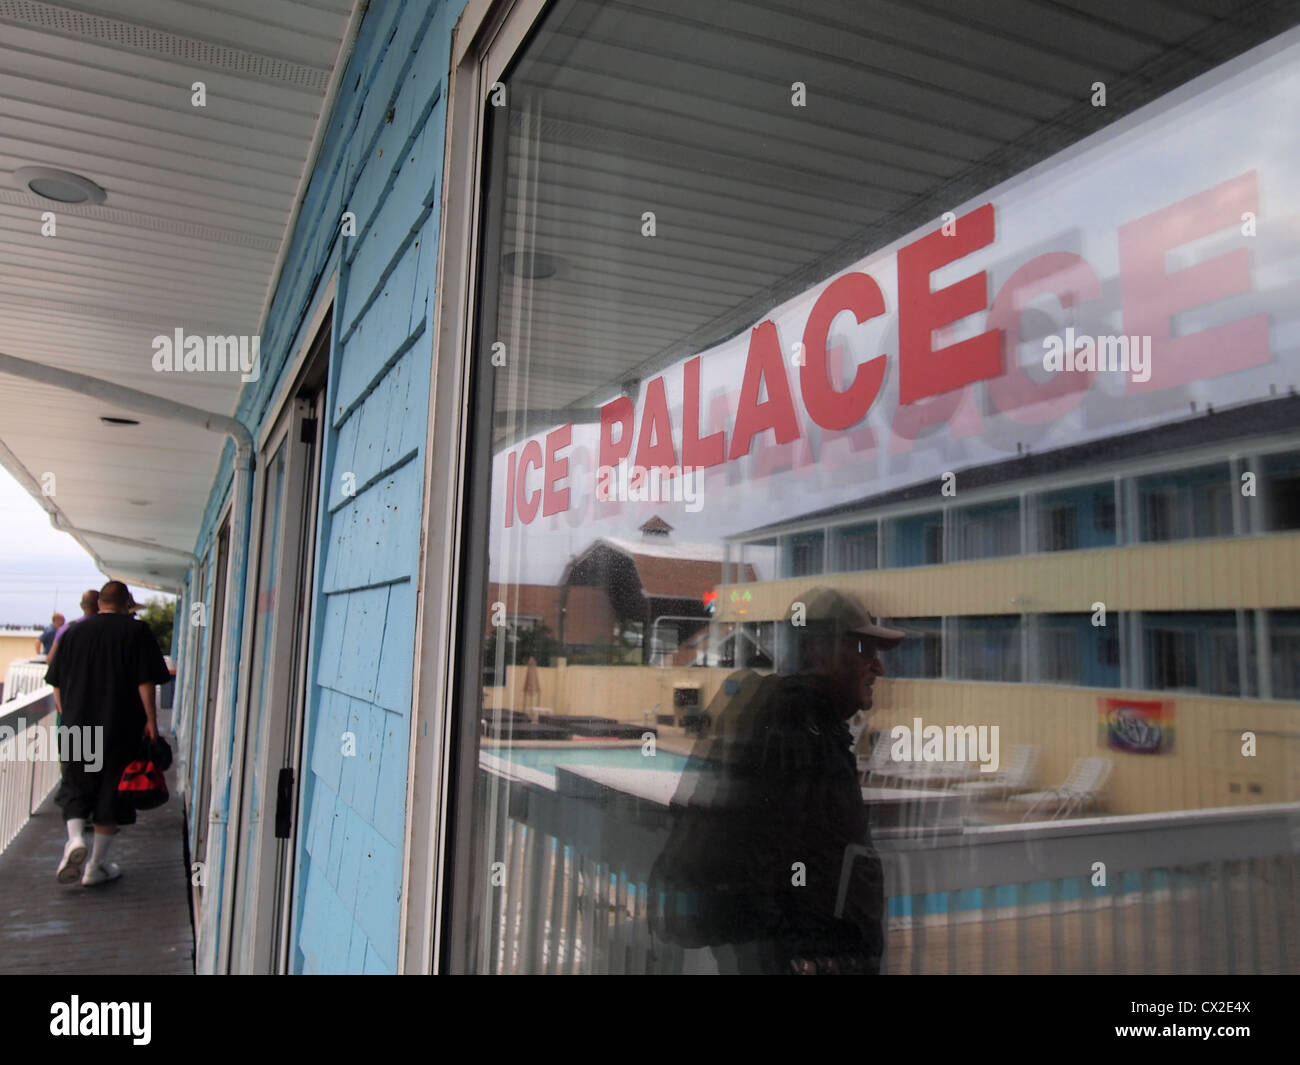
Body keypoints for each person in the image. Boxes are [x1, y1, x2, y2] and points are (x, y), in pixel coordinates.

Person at [649, 586, 904, 974]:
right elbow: (771, 853)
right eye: (864, 651)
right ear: (820, 653)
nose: (878, 667)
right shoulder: (799, 730)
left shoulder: (794, 720)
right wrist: (795, 955)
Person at [43, 580, 171, 886]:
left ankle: (75, 840)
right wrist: (151, 720)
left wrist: (66, 713)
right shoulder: (136, 632)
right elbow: (145, 681)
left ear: (100, 603)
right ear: (126, 602)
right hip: (120, 725)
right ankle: (94, 868)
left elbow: (56, 681)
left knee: (75, 785)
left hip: (77, 724)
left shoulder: (73, 632)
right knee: (111, 793)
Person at [46, 589, 99, 667]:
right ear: (100, 604)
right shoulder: (110, 628)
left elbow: (50, 660)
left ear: (81, 605)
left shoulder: (66, 629)